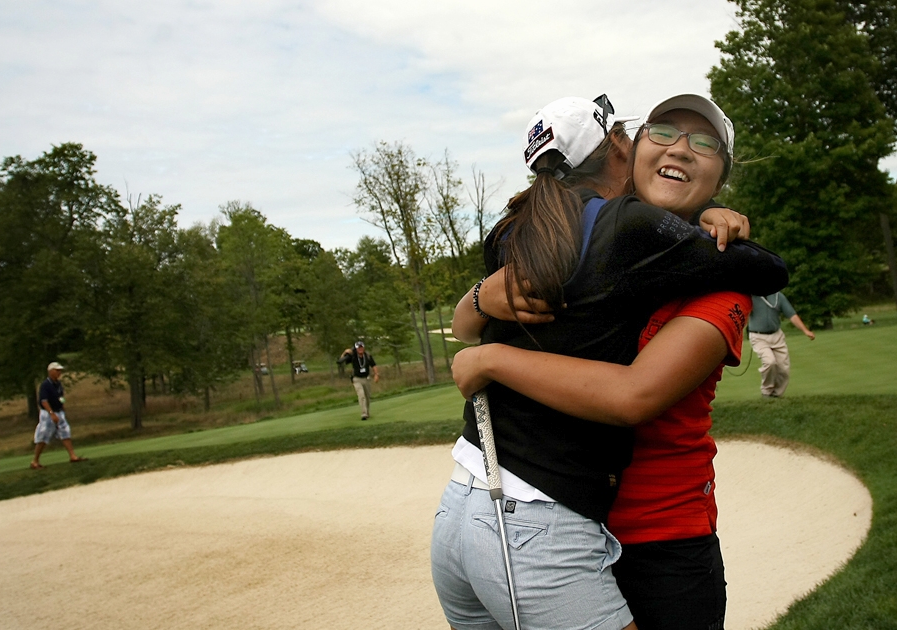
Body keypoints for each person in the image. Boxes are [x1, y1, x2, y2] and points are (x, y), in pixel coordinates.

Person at [431, 95, 786, 630]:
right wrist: (479, 298)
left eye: (705, 143)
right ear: (629, 147)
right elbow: (471, 319)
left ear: (721, 177)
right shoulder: (595, 238)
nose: (682, 149)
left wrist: (492, 358)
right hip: (566, 516)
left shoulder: (719, 284)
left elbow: (633, 395)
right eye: (663, 132)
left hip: (661, 540)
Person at [749, 291, 815, 398]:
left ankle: (776, 395)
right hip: (758, 336)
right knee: (770, 362)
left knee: (784, 369)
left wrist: (805, 331)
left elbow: (791, 314)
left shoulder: (777, 296)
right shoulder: (750, 297)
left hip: (777, 335)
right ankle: (766, 392)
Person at [30, 362, 86, 469]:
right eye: (57, 370)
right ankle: (35, 461)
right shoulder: (46, 385)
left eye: (60, 371)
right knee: (44, 435)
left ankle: (72, 456)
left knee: (65, 432)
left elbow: (61, 397)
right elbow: (44, 401)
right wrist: (51, 413)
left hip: (59, 411)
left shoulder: (58, 384)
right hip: (48, 413)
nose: (59, 373)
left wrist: (62, 404)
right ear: (51, 371)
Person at [337, 342, 379, 420]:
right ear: (356, 349)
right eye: (358, 348)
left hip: (366, 378)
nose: (360, 349)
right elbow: (341, 360)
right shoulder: (353, 356)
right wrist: (345, 352)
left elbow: (373, 365)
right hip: (357, 379)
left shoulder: (367, 356)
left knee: (367, 397)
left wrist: (376, 374)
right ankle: (364, 414)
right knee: (361, 395)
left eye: (361, 347)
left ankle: (367, 412)